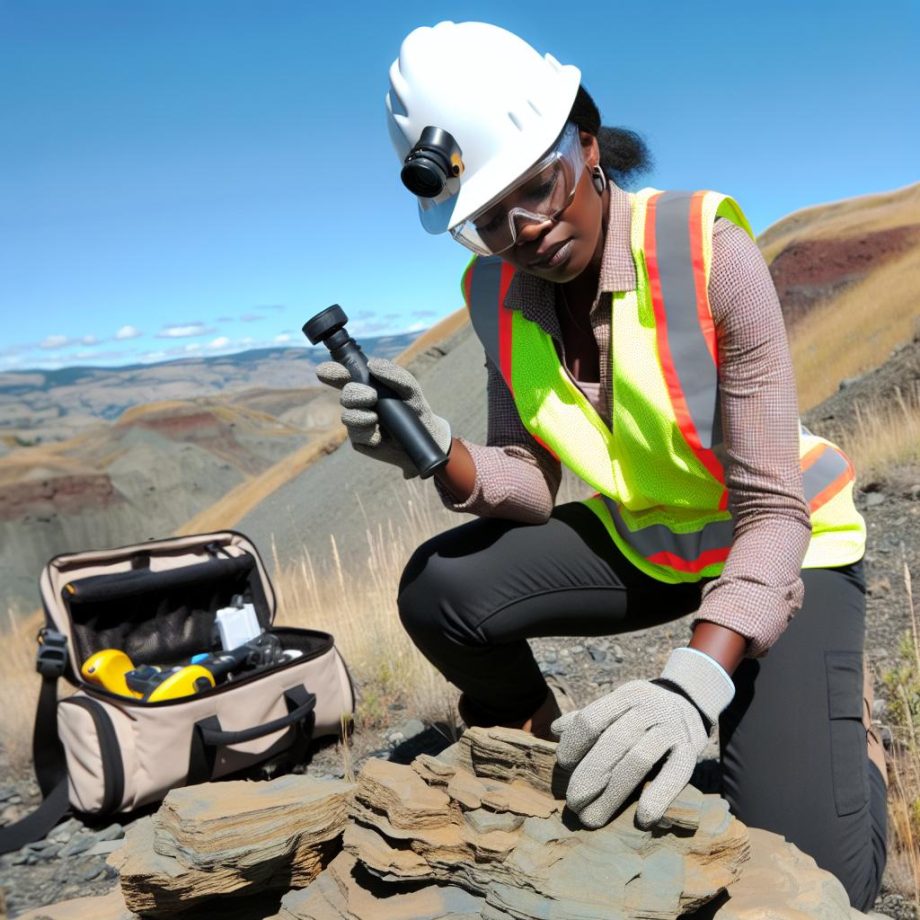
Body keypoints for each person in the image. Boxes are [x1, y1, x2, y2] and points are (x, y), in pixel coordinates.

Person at [316, 20, 888, 910]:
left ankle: (855, 762)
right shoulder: (495, 292)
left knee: (816, 875)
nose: (525, 232)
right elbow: (528, 481)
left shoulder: (708, 252)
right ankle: (530, 740)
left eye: (537, 190)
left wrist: (691, 684)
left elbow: (776, 514)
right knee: (442, 590)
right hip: (654, 545)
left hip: (783, 546)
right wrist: (436, 453)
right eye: (488, 224)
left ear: (585, 144)